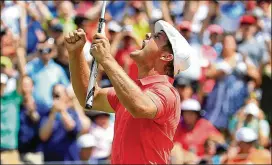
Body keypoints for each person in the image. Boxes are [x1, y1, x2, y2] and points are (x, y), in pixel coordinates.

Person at [65, 19, 192, 164]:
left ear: (166, 57)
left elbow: (140, 107)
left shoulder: (168, 92)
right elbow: (89, 98)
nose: (147, 35)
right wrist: (76, 53)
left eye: (156, 37)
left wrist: (106, 58)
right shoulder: (134, 89)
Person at [39, 84, 83, 162]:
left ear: (66, 95)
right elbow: (43, 136)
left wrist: (62, 111)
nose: (56, 97)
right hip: (51, 161)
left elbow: (72, 128)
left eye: (58, 94)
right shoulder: (47, 113)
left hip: (70, 160)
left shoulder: (72, 112)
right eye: (54, 95)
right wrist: (52, 114)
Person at [26, 38, 69, 109]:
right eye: (41, 51)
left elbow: (66, 88)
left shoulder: (57, 69)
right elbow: (21, 77)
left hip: (53, 111)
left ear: (53, 51)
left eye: (48, 50)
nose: (45, 53)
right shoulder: (31, 66)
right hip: (35, 110)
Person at [0, 73, 22, 164]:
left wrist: (13, 73)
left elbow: (22, 78)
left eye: (1, 85)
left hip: (9, 150)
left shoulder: (13, 99)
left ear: (5, 86)